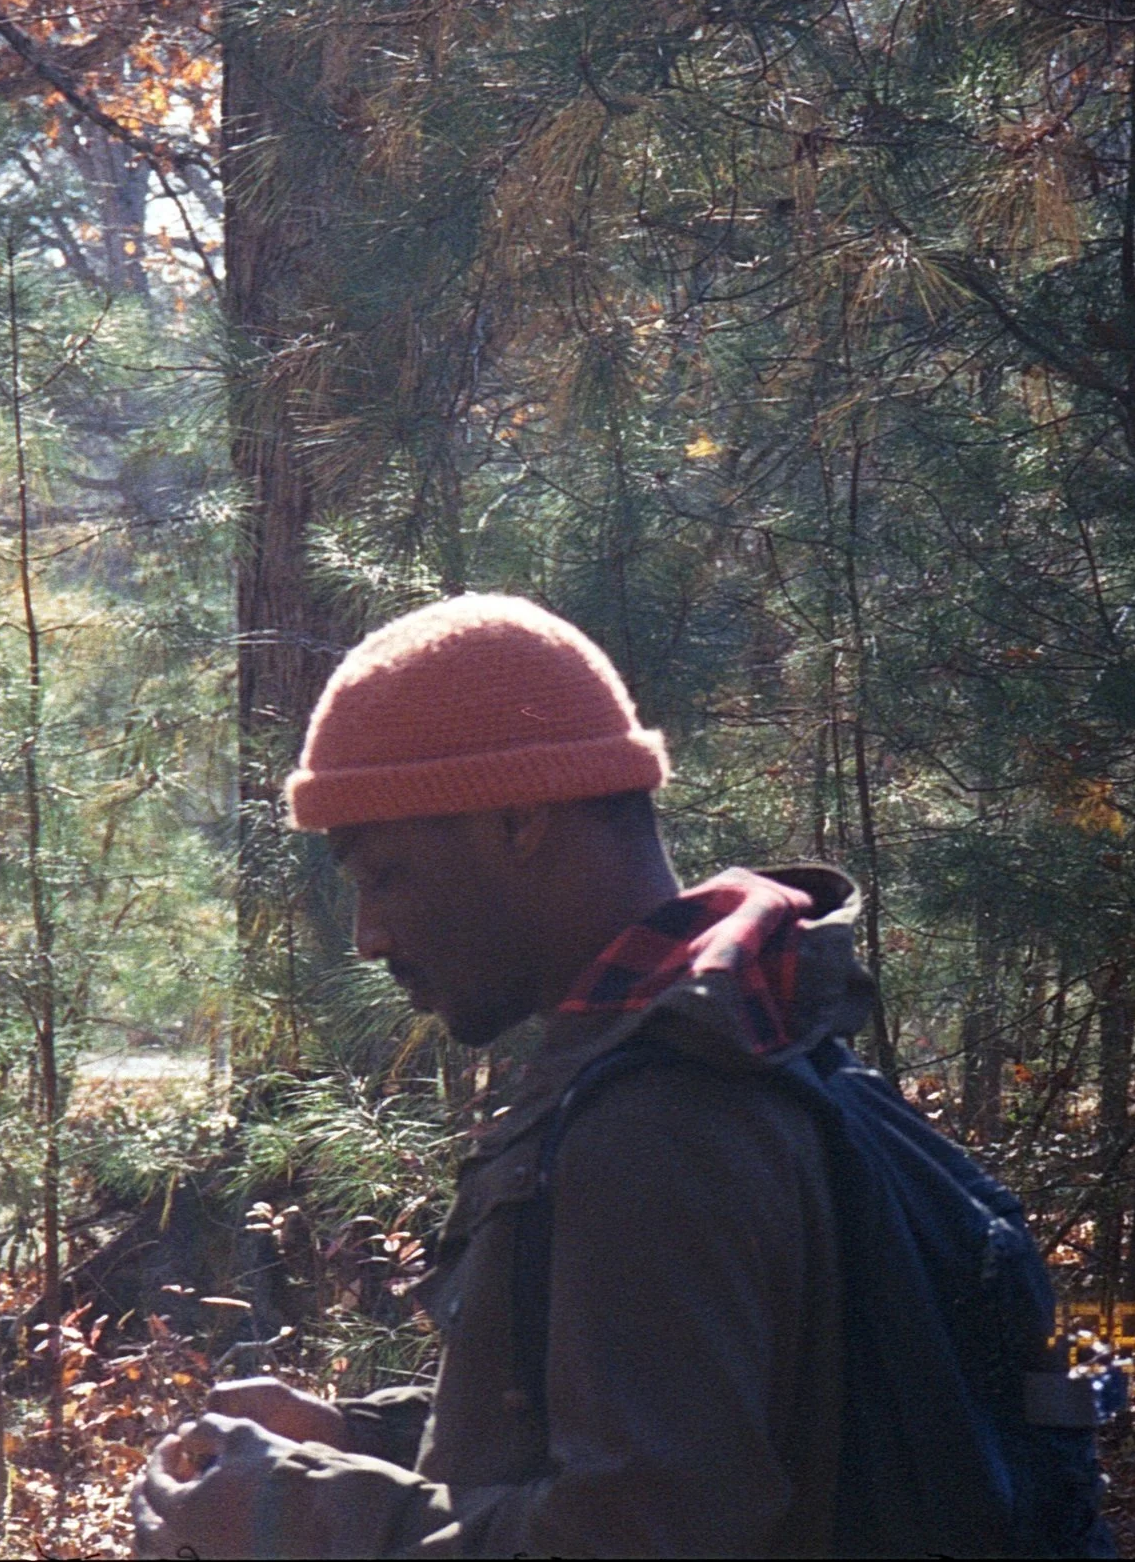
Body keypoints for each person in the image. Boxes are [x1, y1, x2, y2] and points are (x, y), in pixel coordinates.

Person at [132, 594, 885, 1556]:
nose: (368, 937)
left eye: (382, 875)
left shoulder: (661, 1118)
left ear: (520, 818)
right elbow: (654, 1436)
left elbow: (644, 1540)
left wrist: (308, 1514)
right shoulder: (736, 1047)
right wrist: (358, 1439)